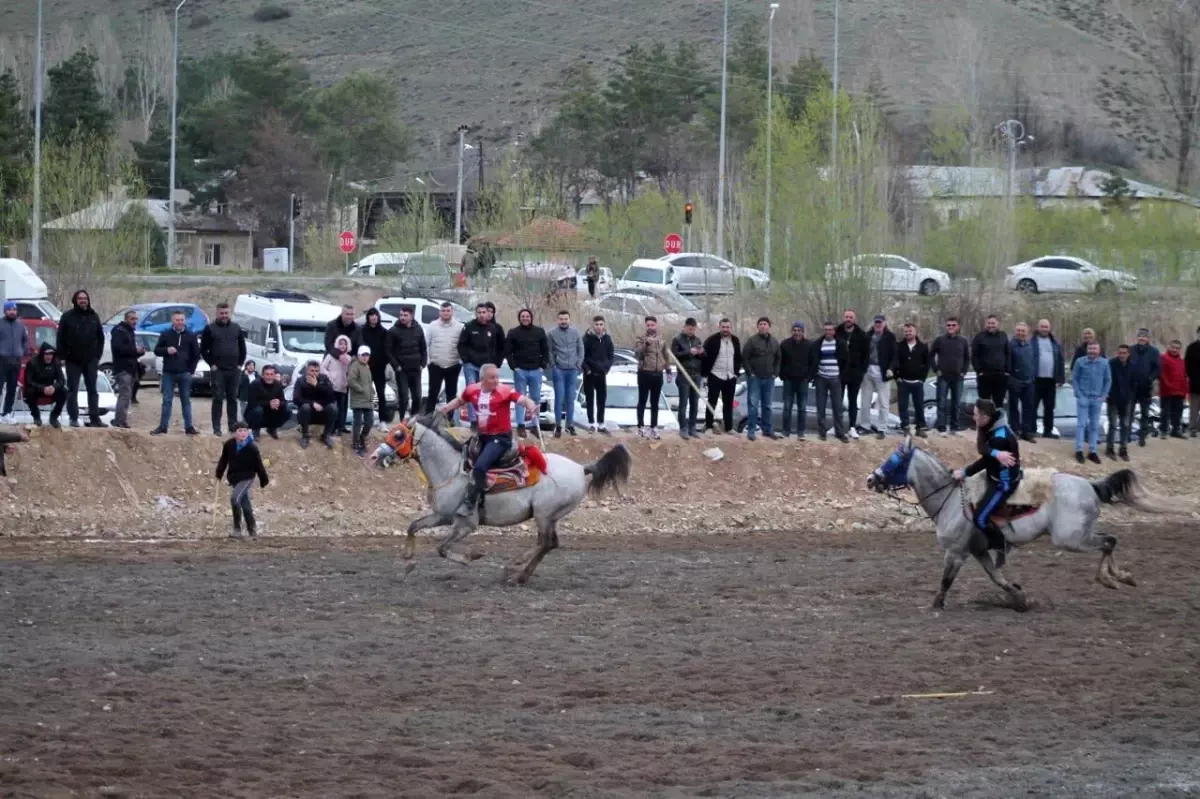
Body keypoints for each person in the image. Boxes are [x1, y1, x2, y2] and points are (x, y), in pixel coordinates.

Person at [439, 364, 539, 516]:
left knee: (479, 467)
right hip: (482, 436)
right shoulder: (472, 390)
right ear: (483, 379)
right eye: (492, 378)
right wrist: (446, 408)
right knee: (460, 454)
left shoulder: (505, 391)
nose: (496, 381)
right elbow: (460, 400)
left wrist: (531, 406)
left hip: (500, 438)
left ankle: (472, 503)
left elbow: (523, 399)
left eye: (497, 377)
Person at [953, 399, 1020, 552]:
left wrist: (964, 473)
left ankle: (1003, 545)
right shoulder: (989, 424)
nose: (973, 417)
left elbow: (984, 460)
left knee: (980, 518)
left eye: (976, 415)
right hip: (993, 473)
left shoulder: (1000, 437)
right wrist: (996, 454)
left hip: (1003, 482)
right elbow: (981, 447)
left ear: (985, 416)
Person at [56, 289, 106, 428]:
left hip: (91, 360)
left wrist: (97, 356)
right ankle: (73, 418)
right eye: (80, 298)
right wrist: (63, 356)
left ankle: (95, 419)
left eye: (85, 298)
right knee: (72, 390)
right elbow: (60, 338)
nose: (83, 300)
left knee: (93, 390)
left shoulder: (94, 316)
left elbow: (100, 338)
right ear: (75, 300)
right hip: (73, 360)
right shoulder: (67, 316)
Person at [215, 422, 270, 540]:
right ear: (235, 432)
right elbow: (223, 460)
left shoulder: (252, 448)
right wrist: (219, 472)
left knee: (235, 498)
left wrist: (263, 479)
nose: (243, 433)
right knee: (245, 504)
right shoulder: (229, 444)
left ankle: (237, 529)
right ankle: (252, 529)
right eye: (240, 431)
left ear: (248, 432)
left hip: (247, 477)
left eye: (245, 430)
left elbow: (258, 465)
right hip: (234, 477)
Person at [199, 302, 247, 436]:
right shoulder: (210, 329)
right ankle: (216, 428)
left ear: (229, 313)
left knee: (232, 398)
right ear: (217, 313)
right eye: (222, 313)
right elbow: (203, 349)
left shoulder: (236, 328)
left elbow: (243, 348)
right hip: (218, 370)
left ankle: (232, 426)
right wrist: (212, 365)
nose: (224, 315)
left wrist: (240, 365)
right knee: (218, 398)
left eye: (226, 313)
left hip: (234, 370)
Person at [151, 310, 201, 436]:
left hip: (185, 373)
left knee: (186, 400)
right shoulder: (166, 334)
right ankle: (163, 427)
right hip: (168, 372)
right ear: (172, 321)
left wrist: (191, 371)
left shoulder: (191, 335)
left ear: (185, 321)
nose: (180, 322)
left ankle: (189, 427)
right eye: (177, 320)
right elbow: (156, 350)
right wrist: (166, 350)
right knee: (167, 400)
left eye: (182, 320)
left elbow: (196, 355)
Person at [457, 303, 505, 429]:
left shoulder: (492, 329)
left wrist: (495, 363)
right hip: (471, 366)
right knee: (473, 392)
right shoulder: (468, 327)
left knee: (485, 393)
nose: (482, 315)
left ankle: (483, 420)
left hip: (486, 367)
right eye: (479, 312)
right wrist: (466, 360)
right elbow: (461, 345)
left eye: (484, 312)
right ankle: (473, 421)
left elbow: (497, 348)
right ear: (476, 313)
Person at [505, 308, 549, 438]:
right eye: (523, 316)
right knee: (520, 399)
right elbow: (508, 352)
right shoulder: (513, 333)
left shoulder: (539, 332)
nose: (525, 318)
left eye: (527, 316)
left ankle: (536, 425)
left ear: (531, 317)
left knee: (536, 398)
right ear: (519, 318)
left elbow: (545, 351)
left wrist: (543, 366)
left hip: (536, 370)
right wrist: (515, 367)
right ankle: (521, 425)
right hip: (521, 371)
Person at [741, 316, 781, 441]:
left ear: (769, 326)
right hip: (755, 379)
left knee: (767, 405)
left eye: (765, 324)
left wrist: (775, 373)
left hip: (769, 379)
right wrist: (750, 373)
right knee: (753, 406)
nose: (763, 326)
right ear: (758, 327)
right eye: (760, 324)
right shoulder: (752, 341)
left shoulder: (774, 342)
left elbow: (778, 358)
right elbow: (744, 357)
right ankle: (751, 431)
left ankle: (767, 430)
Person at [809, 321, 849, 443]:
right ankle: (822, 432)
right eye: (826, 330)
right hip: (821, 378)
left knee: (838, 407)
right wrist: (814, 375)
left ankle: (840, 432)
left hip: (836, 378)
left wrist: (842, 375)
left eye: (830, 330)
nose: (828, 332)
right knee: (821, 407)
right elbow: (813, 360)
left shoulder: (840, 343)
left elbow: (846, 360)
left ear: (834, 331)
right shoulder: (817, 344)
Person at [1072, 341, 1111, 463]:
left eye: (1095, 349)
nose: (1092, 351)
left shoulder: (1104, 363)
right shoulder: (1080, 362)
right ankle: (1079, 450)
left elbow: (1108, 380)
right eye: (1090, 348)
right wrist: (1079, 394)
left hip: (1097, 399)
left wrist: (1104, 396)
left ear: (1099, 350)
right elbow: (1074, 378)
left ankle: (1092, 451)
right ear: (1087, 350)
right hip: (1083, 397)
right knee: (1081, 424)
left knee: (1094, 426)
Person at [858, 314, 896, 439]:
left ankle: (882, 428)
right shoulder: (867, 336)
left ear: (884, 323)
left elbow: (894, 355)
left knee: (884, 402)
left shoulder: (890, 337)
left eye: (880, 322)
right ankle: (865, 426)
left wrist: (891, 368)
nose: (878, 324)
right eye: (876, 322)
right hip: (868, 370)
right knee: (865, 401)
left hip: (883, 371)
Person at [701, 318, 742, 435]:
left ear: (731, 328)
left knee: (728, 403)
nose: (725, 329)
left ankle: (729, 427)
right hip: (715, 374)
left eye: (727, 327)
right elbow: (704, 357)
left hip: (730, 376)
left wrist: (736, 373)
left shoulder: (735, 340)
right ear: (719, 327)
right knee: (712, 401)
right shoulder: (711, 340)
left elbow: (738, 357)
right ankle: (709, 426)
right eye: (723, 327)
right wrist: (705, 374)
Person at [930, 317, 970, 435]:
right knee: (941, 403)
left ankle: (954, 427)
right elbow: (931, 355)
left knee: (956, 403)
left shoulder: (963, 341)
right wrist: (936, 369)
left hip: (958, 377)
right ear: (946, 327)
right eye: (948, 325)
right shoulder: (939, 340)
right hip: (943, 377)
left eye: (953, 325)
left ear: (958, 327)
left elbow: (967, 358)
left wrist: (964, 372)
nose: (951, 327)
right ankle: (941, 427)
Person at [634, 315, 671, 439]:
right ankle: (640, 426)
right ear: (646, 326)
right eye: (648, 325)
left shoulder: (662, 340)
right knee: (642, 401)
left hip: (658, 374)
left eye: (652, 325)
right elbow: (637, 353)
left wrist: (668, 370)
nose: (650, 327)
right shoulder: (641, 339)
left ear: (656, 325)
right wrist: (646, 344)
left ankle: (653, 427)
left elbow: (666, 356)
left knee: (655, 402)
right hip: (644, 373)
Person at [324, 305, 360, 430]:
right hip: (332, 361)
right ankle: (331, 425)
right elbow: (328, 344)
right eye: (347, 314)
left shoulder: (357, 328)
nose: (350, 317)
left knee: (344, 396)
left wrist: (352, 358)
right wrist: (339, 356)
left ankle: (342, 424)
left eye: (352, 314)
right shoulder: (332, 325)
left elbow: (357, 346)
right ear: (342, 313)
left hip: (347, 363)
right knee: (331, 396)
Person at [387, 305, 426, 420]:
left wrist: (422, 364)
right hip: (402, 370)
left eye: (405, 315)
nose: (402, 317)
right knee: (403, 397)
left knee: (417, 397)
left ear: (411, 316)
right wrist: (396, 366)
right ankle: (402, 420)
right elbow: (388, 350)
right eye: (401, 315)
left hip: (416, 369)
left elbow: (423, 347)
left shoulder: (418, 329)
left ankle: (413, 419)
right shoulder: (394, 331)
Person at [548, 310, 584, 437]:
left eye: (566, 319)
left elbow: (581, 349)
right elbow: (550, 351)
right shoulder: (552, 333)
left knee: (570, 399)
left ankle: (570, 425)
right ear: (557, 320)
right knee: (559, 399)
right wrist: (554, 365)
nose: (563, 321)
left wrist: (578, 364)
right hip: (559, 370)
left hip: (572, 370)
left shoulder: (575, 333)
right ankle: (558, 425)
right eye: (561, 319)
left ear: (569, 319)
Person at [425, 302, 464, 414]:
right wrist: (429, 361)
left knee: (451, 394)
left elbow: (462, 345)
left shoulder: (459, 327)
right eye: (443, 310)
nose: (445, 313)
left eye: (448, 310)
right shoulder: (432, 325)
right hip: (435, 365)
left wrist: (460, 361)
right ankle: (428, 418)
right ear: (439, 312)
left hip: (453, 365)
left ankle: (450, 421)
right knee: (433, 393)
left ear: (452, 312)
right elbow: (426, 344)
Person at [835, 309, 869, 440]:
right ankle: (837, 426)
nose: (848, 319)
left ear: (854, 319)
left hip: (855, 374)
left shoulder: (862, 335)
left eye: (850, 317)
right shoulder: (837, 332)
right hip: (840, 372)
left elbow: (866, 356)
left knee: (853, 401)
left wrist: (862, 371)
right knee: (838, 401)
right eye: (846, 317)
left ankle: (852, 427)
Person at [109, 309, 145, 429]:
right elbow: (119, 349)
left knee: (127, 395)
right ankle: (119, 421)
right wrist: (135, 350)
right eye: (132, 319)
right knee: (124, 395)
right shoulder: (120, 331)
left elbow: (128, 351)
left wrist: (139, 352)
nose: (134, 321)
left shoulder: (129, 331)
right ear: (126, 319)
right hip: (123, 368)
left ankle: (121, 420)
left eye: (135, 319)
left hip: (130, 367)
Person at [670, 317, 705, 439]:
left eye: (693, 329)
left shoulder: (697, 340)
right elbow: (674, 356)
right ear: (684, 327)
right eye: (689, 329)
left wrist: (701, 353)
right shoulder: (677, 340)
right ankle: (683, 428)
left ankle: (692, 427)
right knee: (683, 402)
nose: (691, 332)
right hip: (684, 375)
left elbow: (702, 357)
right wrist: (689, 352)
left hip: (696, 374)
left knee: (695, 403)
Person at [1031, 319, 1065, 439]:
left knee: (1049, 407)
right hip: (1036, 379)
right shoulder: (1032, 341)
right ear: (1038, 327)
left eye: (1046, 327)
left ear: (1049, 328)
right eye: (1042, 327)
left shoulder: (1055, 343)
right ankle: (1032, 430)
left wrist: (1061, 378)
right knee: (1032, 406)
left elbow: (1060, 360)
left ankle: (1048, 431)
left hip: (1050, 380)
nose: (1044, 329)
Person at [778, 322, 812, 438]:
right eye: (795, 330)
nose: (797, 332)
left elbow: (813, 362)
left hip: (803, 381)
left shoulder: (809, 345)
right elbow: (780, 361)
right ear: (791, 331)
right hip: (788, 380)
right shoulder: (785, 344)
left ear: (803, 332)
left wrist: (809, 377)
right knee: (787, 407)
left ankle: (801, 432)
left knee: (802, 407)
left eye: (799, 330)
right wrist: (782, 375)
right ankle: (785, 431)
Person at [896, 322, 930, 436]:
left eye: (910, 331)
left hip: (917, 382)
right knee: (903, 406)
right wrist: (897, 378)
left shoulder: (923, 347)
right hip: (903, 382)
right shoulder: (899, 346)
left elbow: (927, 364)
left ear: (915, 332)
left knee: (919, 406)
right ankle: (905, 427)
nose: (908, 333)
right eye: (906, 331)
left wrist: (922, 379)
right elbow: (895, 362)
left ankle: (920, 428)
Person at [294, 360, 337, 449]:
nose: (314, 373)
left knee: (333, 407)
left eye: (316, 371)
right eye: (312, 371)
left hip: (322, 410)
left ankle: (326, 435)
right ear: (307, 371)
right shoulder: (300, 381)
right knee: (305, 407)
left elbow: (332, 397)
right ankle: (305, 435)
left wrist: (317, 385)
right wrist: (312, 403)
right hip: (306, 412)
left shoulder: (324, 379)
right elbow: (296, 399)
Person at [22, 343, 67, 428]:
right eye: (46, 354)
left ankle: (54, 417)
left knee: (64, 392)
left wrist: (54, 387)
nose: (49, 356)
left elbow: (61, 380)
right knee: (29, 391)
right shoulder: (32, 363)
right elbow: (28, 381)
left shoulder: (56, 363)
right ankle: (36, 417)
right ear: (42, 354)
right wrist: (42, 388)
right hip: (37, 389)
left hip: (50, 389)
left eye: (51, 354)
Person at [1129, 328, 1161, 446]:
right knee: (1129, 411)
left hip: (1146, 386)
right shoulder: (1130, 350)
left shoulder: (1154, 351)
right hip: (1132, 386)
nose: (1142, 338)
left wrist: (1150, 378)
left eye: (1144, 336)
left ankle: (1142, 436)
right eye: (1140, 336)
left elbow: (1158, 368)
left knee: (1145, 412)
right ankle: (1127, 434)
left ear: (1148, 338)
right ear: (1137, 338)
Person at [583, 315, 614, 434]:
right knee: (590, 400)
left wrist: (607, 368)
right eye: (596, 324)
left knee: (601, 400)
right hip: (590, 374)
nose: (599, 327)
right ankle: (591, 424)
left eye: (601, 324)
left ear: (604, 325)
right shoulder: (587, 338)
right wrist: (587, 369)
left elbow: (611, 355)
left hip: (602, 374)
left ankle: (601, 424)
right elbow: (582, 356)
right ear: (593, 325)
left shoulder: (607, 339)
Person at [1007, 322, 1037, 443]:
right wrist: (1010, 377)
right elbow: (1007, 363)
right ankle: (1014, 431)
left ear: (1027, 332)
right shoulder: (1010, 345)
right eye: (1018, 330)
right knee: (1013, 407)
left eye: (1023, 331)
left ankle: (1027, 432)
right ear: (1015, 332)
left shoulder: (1030, 345)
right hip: (1015, 380)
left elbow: (1034, 362)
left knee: (1028, 407)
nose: (1021, 333)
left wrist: (1033, 375)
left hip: (1029, 381)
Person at [361, 309, 392, 425]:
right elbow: (359, 347)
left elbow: (388, 350)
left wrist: (383, 362)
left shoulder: (384, 332)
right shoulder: (362, 331)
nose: (374, 317)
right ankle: (366, 419)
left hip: (379, 368)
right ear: (368, 317)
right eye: (371, 315)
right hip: (365, 367)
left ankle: (382, 420)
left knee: (381, 394)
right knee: (365, 393)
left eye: (376, 315)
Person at [972, 315, 1010, 407]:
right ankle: (985, 421)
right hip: (984, 376)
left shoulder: (1003, 336)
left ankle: (997, 421)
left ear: (997, 324)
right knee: (984, 405)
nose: (990, 325)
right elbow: (974, 355)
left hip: (1000, 376)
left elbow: (1008, 353)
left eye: (993, 323)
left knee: (999, 405)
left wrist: (1007, 371)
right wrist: (979, 371)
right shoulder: (979, 337)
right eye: (989, 323)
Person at [0, 301, 28, 423]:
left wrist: (22, 351)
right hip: (2, 359)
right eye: (9, 309)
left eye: (14, 310)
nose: (12, 312)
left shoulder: (20, 325)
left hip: (16, 360)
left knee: (12, 388)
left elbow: (24, 340)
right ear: (5, 311)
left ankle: (7, 413)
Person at [245, 364, 290, 438]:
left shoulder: (278, 384)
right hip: (254, 414)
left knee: (288, 411)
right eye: (267, 374)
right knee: (258, 410)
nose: (269, 377)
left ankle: (272, 428)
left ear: (275, 375)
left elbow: (284, 402)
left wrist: (278, 403)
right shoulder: (255, 384)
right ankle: (256, 429)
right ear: (262, 375)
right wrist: (269, 403)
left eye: (272, 374)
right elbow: (252, 403)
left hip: (271, 413)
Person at [1106, 344, 1134, 461]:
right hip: (1113, 399)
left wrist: (1131, 395)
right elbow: (1107, 380)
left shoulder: (1132, 366)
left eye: (1124, 353)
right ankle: (1110, 449)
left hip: (1126, 400)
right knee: (1112, 424)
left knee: (1125, 425)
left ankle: (1123, 449)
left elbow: (1134, 382)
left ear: (1128, 354)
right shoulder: (1111, 364)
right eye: (1120, 353)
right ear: (1117, 353)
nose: (1122, 355)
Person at [321, 334, 353, 433]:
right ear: (337, 345)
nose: (343, 346)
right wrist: (329, 376)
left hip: (343, 386)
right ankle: (332, 427)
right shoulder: (331, 356)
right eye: (341, 344)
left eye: (345, 344)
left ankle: (341, 426)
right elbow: (322, 368)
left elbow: (351, 371)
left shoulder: (349, 358)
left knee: (342, 408)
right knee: (333, 408)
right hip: (331, 386)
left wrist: (349, 380)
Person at [348, 344, 376, 456]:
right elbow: (351, 380)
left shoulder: (367, 367)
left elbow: (369, 383)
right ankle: (356, 443)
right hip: (358, 399)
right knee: (357, 422)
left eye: (367, 355)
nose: (365, 357)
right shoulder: (355, 365)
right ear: (359, 355)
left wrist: (372, 392)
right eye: (363, 355)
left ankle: (362, 438)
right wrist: (361, 389)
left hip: (368, 400)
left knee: (369, 421)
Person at [1159, 339, 1188, 439]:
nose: (1174, 350)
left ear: (1180, 350)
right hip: (1167, 390)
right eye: (1173, 347)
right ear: (1169, 347)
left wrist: (1185, 390)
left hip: (1180, 391)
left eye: (1177, 348)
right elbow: (1161, 373)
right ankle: (1163, 430)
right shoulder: (1163, 358)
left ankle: (1175, 430)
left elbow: (1184, 376)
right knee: (1165, 411)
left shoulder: (1182, 361)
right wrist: (1168, 385)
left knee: (1178, 411)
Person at [1187, 326, 1200, 438]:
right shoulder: (1191, 347)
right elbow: (1186, 365)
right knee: (1194, 409)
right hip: (1195, 383)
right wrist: (1191, 377)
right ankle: (1193, 428)